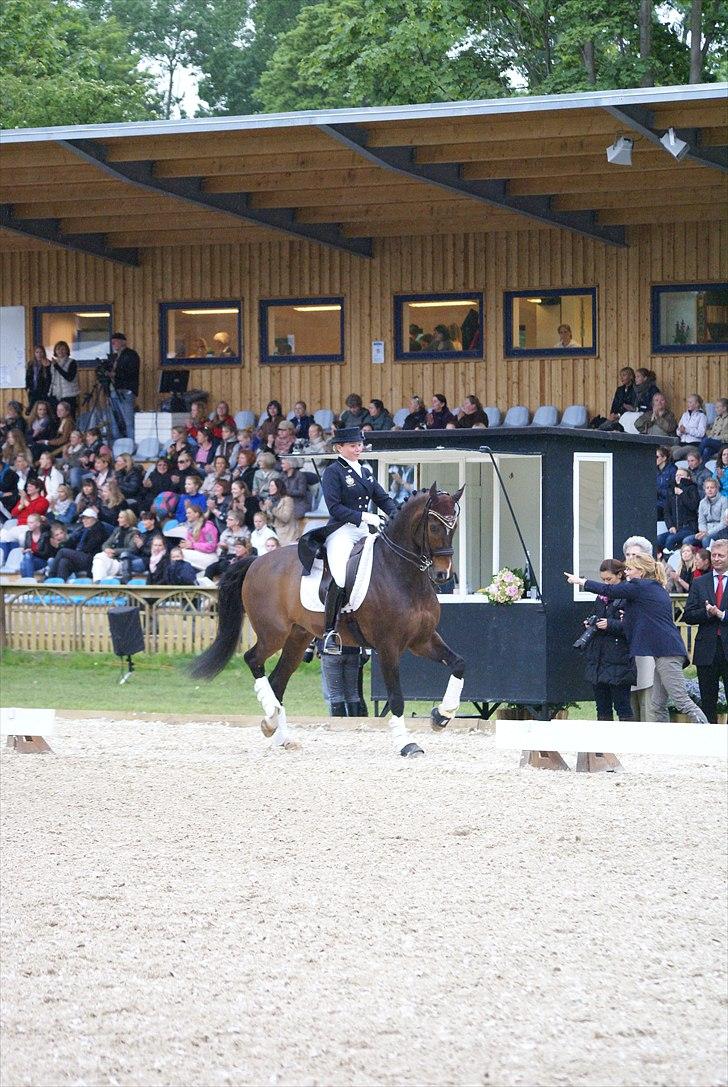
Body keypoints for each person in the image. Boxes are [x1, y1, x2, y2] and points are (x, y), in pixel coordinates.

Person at [565, 555, 708, 724]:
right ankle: (664, 746)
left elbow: (609, 591)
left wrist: (580, 582)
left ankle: (709, 739)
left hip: (668, 653)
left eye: (629, 569)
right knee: (656, 705)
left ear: (640, 572)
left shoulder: (641, 586)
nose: (626, 573)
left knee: (682, 702)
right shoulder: (652, 587)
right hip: (663, 652)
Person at [316, 426, 396, 654]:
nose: (358, 449)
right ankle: (329, 632)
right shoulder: (333, 472)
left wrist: (398, 516)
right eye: (353, 446)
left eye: (359, 445)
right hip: (341, 530)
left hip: (364, 530)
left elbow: (382, 498)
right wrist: (364, 516)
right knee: (341, 576)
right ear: (339, 448)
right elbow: (334, 507)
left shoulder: (365, 471)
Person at [578, 559, 636, 721]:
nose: (606, 584)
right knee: (602, 707)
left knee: (622, 706)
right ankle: (603, 745)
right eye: (603, 580)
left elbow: (633, 627)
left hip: (619, 656)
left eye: (609, 580)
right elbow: (596, 615)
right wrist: (591, 623)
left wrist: (610, 624)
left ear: (620, 575)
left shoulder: (628, 595)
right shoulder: (601, 597)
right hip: (598, 655)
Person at [683, 539, 728, 723]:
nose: (716, 559)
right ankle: (710, 744)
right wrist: (708, 614)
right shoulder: (700, 582)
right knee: (707, 702)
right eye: (714, 555)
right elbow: (688, 615)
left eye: (721, 556)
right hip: (706, 650)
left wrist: (721, 614)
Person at [0, 478, 49, 562]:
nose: (28, 488)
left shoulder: (43, 501)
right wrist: (21, 506)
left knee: (22, 537)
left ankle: (22, 561)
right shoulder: (24, 499)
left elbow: (35, 514)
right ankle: (6, 560)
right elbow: (13, 513)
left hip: (31, 527)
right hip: (19, 526)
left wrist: (25, 502)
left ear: (37, 488)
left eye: (30, 486)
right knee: (4, 536)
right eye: (27, 486)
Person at [51, 507, 108, 580]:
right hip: (81, 556)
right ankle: (60, 584)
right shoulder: (83, 529)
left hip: (91, 558)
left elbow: (90, 547)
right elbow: (72, 541)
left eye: (87, 518)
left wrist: (75, 552)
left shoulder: (99, 529)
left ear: (94, 518)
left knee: (62, 551)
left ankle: (51, 577)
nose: (84, 521)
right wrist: (61, 545)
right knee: (64, 561)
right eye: (83, 519)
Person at [107, 332, 140, 442]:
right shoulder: (115, 356)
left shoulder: (131, 355)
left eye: (115, 341)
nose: (113, 344)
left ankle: (131, 444)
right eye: (112, 342)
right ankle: (119, 445)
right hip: (114, 390)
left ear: (123, 342)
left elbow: (132, 372)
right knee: (115, 421)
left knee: (128, 421)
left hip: (126, 391)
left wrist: (115, 374)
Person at [91, 508, 139, 581]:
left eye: (121, 517)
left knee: (99, 559)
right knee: (99, 558)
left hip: (123, 562)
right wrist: (107, 549)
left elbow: (132, 549)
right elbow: (106, 543)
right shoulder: (117, 530)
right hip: (112, 559)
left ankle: (98, 584)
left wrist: (114, 551)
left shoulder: (135, 532)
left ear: (128, 519)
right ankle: (99, 582)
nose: (118, 520)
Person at [684, 478, 728, 548]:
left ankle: (708, 558)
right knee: (687, 540)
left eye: (712, 487)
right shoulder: (702, 502)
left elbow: (723, 523)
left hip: (719, 531)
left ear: (717, 489)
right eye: (707, 488)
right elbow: (701, 521)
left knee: (706, 540)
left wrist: (708, 533)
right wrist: (703, 531)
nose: (709, 490)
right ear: (704, 490)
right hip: (705, 531)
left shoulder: (724, 500)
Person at [49, 341, 80, 417]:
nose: (60, 351)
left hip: (69, 395)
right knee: (56, 417)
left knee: (70, 417)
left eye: (63, 349)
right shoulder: (53, 364)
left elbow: (69, 378)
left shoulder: (72, 362)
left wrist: (57, 366)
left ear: (67, 351)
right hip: (56, 395)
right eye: (58, 349)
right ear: (55, 351)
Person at [18, 514, 52, 579]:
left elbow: (46, 554)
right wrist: (24, 551)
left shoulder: (46, 534)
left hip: (43, 561)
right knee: (23, 562)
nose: (28, 524)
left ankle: (28, 582)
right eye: (28, 522)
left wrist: (32, 552)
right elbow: (26, 548)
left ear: (38, 524)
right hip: (30, 560)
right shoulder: (28, 533)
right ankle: (28, 583)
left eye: (31, 522)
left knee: (25, 560)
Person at [25, 345, 52, 412]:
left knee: (43, 410)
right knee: (33, 410)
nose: (39, 354)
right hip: (32, 391)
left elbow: (49, 378)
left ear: (44, 353)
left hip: (43, 392)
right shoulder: (30, 363)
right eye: (37, 352)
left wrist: (46, 367)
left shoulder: (48, 363)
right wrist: (27, 387)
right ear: (34, 353)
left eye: (41, 352)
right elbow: (28, 377)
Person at [656, 446, 677, 522]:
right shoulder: (654, 470)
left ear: (664, 458)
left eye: (656, 457)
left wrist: (658, 491)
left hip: (667, 503)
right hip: (656, 501)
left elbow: (673, 490)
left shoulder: (673, 470)